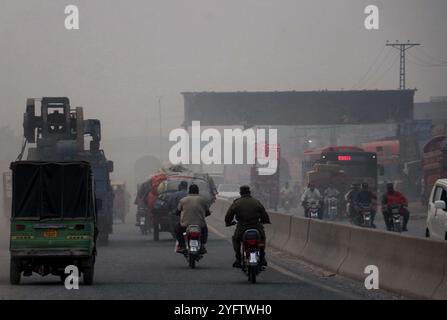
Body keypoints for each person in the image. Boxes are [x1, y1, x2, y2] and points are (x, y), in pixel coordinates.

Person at [225, 185, 271, 268]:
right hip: (256, 226)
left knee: (236, 240)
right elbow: (264, 214)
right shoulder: (256, 202)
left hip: (242, 228)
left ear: (240, 192)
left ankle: (238, 259)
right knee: (262, 239)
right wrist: (265, 221)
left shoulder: (237, 203)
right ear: (249, 192)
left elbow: (229, 215)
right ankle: (262, 257)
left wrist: (228, 223)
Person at [174, 184, 211, 254]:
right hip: (200, 224)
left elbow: (178, 211)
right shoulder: (203, 200)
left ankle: (181, 246)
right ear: (198, 191)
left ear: (189, 191)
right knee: (204, 230)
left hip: (185, 224)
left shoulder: (183, 200)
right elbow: (208, 212)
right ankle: (202, 245)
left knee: (177, 230)